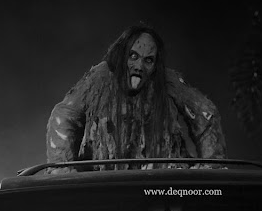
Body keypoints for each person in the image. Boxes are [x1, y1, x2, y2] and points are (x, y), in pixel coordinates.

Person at [46, 24, 227, 173]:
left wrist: (211, 167)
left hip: (161, 183)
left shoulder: (167, 81)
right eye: (133, 56)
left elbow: (205, 113)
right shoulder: (100, 77)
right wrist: (62, 170)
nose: (139, 66)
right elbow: (64, 116)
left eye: (148, 60)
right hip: (106, 182)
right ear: (122, 54)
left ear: (155, 64)